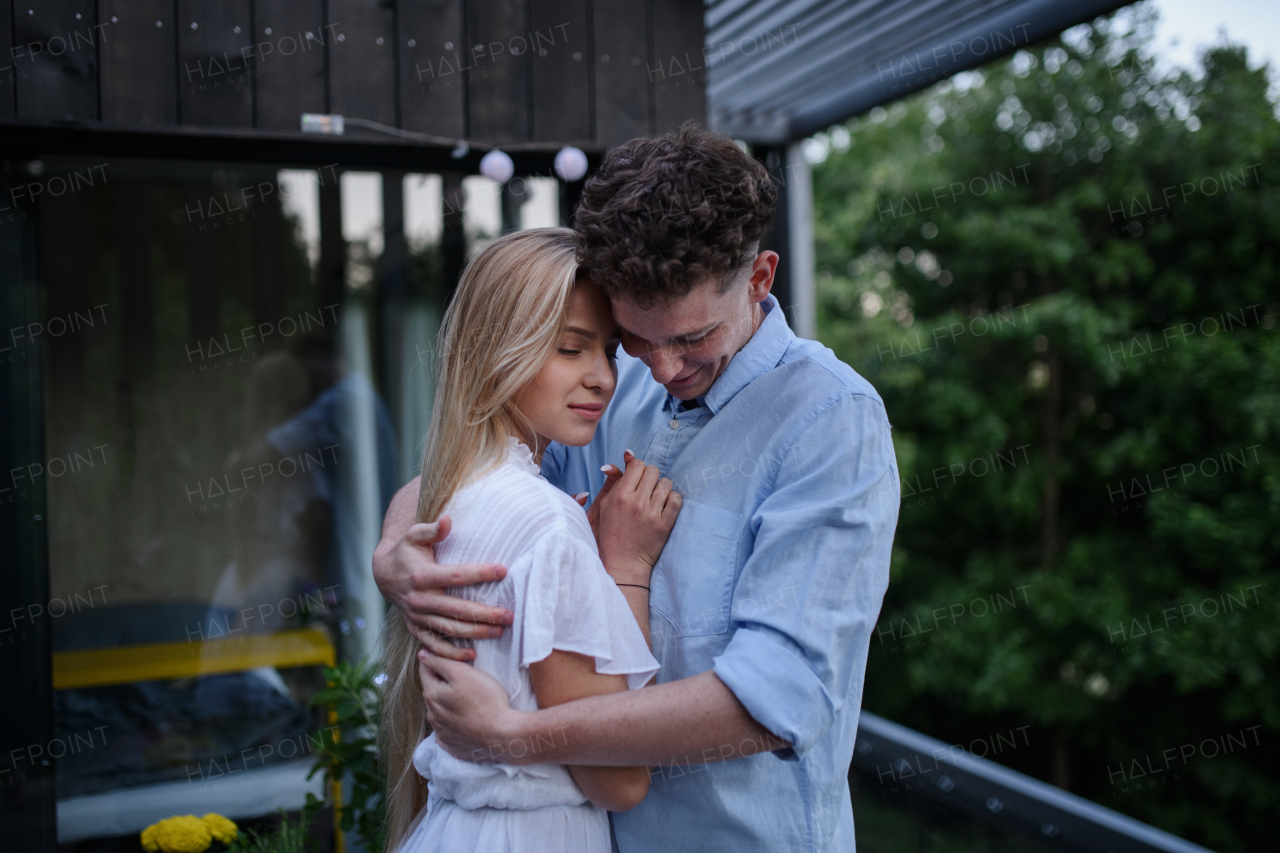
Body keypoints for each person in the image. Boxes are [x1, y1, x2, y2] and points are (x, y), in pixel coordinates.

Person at [377, 124, 900, 851]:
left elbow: (778, 698)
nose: (659, 369)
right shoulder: (616, 392)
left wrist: (517, 734)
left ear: (759, 277)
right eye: (634, 338)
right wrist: (397, 544)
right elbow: (488, 470)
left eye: (689, 340)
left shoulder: (830, 421)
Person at [383, 227, 683, 852]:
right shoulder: (546, 520)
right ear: (498, 349)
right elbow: (620, 780)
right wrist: (624, 568)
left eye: (608, 353)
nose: (602, 377)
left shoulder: (460, 497)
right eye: (571, 350)